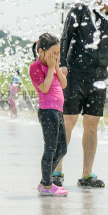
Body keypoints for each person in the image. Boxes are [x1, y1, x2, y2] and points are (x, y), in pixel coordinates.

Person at [54, 0, 108, 188]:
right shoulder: (79, 11)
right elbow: (65, 38)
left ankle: (87, 175)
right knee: (68, 122)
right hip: (76, 75)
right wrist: (63, 63)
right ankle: (57, 170)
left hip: (99, 78)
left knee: (92, 126)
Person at [30, 33, 68, 197]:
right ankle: (46, 184)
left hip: (58, 111)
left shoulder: (54, 66)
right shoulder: (35, 67)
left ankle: (45, 181)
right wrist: (51, 68)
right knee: (51, 148)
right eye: (53, 53)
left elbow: (64, 83)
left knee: (62, 149)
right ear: (41, 51)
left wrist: (57, 67)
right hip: (47, 111)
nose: (56, 56)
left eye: (58, 52)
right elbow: (44, 88)